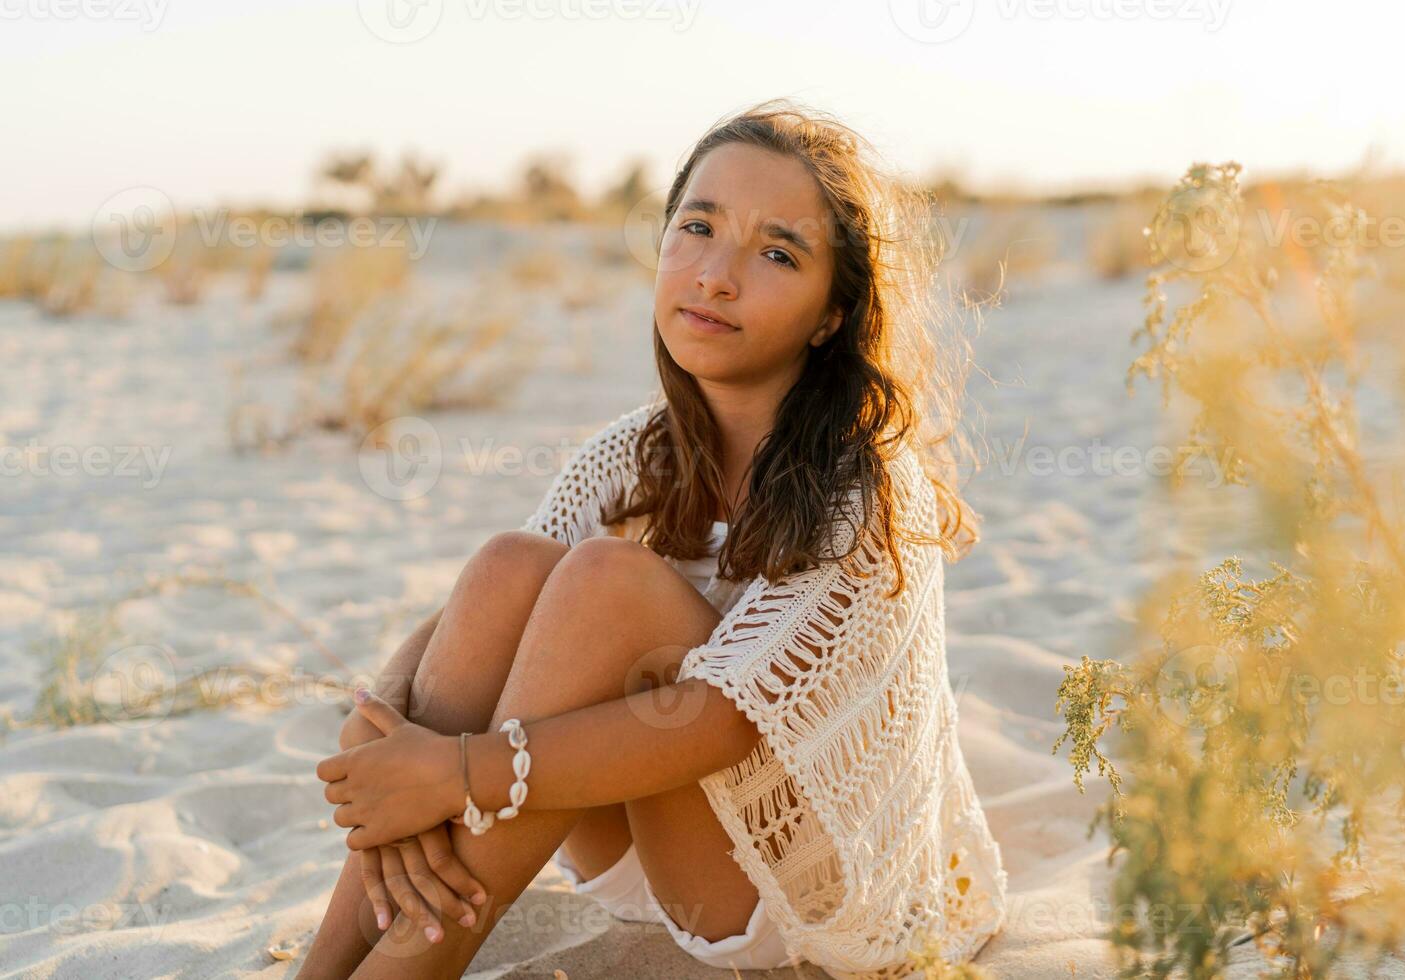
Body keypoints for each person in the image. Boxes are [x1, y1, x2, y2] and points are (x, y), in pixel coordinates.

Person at [301, 98, 1006, 980]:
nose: (715, 275)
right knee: (513, 565)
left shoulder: (863, 487)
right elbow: (481, 615)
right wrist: (386, 721)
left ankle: (409, 967)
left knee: (608, 584)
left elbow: (719, 724)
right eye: (697, 228)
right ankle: (323, 968)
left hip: (794, 887)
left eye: (777, 253)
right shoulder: (633, 451)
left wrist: (454, 775)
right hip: (630, 836)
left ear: (832, 314)